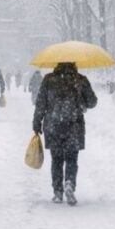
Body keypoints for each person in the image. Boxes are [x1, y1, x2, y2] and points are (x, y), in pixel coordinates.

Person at [31, 62, 97, 206]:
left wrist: (36, 123)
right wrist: (81, 101)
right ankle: (69, 183)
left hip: (53, 126)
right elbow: (92, 102)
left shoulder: (49, 79)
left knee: (57, 159)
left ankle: (58, 192)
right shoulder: (80, 79)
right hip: (74, 125)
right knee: (72, 159)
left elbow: (40, 103)